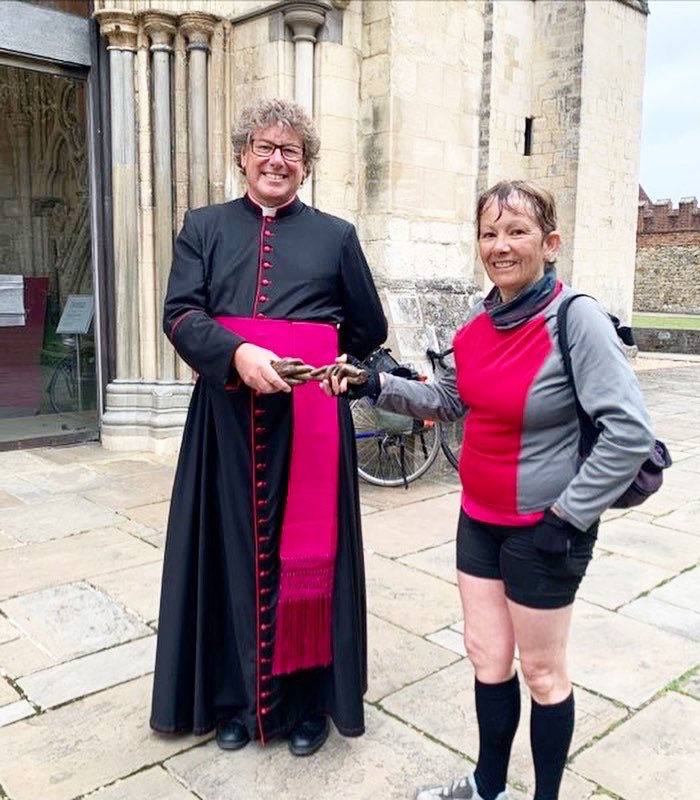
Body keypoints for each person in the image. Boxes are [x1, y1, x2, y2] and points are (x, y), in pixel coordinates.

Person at [323, 180, 654, 800]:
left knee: (543, 671)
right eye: (489, 233)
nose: (500, 246)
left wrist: (568, 518)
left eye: (517, 231)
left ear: (550, 243)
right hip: (479, 518)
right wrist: (372, 385)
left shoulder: (575, 318)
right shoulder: (476, 325)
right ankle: (488, 786)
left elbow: (629, 434)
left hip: (546, 527)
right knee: (486, 655)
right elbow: (448, 401)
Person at [150, 98, 387, 756]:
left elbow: (367, 329)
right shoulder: (203, 227)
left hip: (310, 422)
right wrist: (236, 353)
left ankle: (306, 706)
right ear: (242, 155)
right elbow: (180, 314)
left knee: (311, 562)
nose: (276, 159)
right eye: (265, 146)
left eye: (292, 151)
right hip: (226, 418)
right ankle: (235, 701)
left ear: (306, 167)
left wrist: (324, 359)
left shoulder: (336, 236)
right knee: (227, 555)